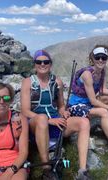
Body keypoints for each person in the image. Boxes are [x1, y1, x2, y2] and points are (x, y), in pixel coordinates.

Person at [21, 50, 91, 180]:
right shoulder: (27, 82)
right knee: (41, 119)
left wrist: (63, 112)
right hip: (36, 124)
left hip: (56, 120)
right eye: (39, 62)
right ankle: (47, 169)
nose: (42, 64)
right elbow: (25, 111)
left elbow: (60, 105)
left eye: (46, 61)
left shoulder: (57, 81)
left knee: (84, 122)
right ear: (35, 64)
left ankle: (83, 170)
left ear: (50, 64)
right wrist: (48, 120)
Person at [68, 45, 108, 161]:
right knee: (103, 112)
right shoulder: (87, 75)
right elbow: (93, 100)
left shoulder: (103, 71)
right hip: (75, 106)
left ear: (107, 59)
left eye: (104, 57)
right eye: (98, 57)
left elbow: (102, 90)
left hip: (87, 103)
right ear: (93, 58)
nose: (101, 60)